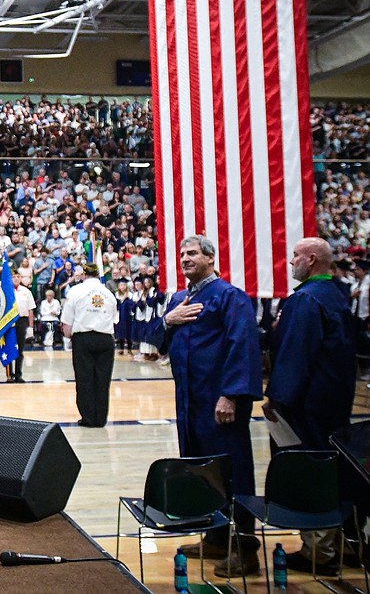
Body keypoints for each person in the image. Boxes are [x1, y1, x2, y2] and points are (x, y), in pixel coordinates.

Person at [163, 235, 263, 577]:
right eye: (181, 254)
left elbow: (243, 344)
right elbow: (162, 342)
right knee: (203, 472)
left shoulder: (229, 296)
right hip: (190, 402)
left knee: (232, 472)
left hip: (220, 402)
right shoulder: (179, 299)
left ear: (210, 257)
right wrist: (168, 320)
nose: (185, 258)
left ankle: (245, 547)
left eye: (192, 253)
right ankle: (217, 536)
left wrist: (231, 394)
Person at [264, 238, 357, 574]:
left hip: (308, 406)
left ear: (312, 260)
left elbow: (295, 355)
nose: (291, 263)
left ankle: (319, 551)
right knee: (337, 470)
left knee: (310, 472)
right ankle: (345, 542)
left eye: (295, 257)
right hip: (336, 402)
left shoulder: (305, 300)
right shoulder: (336, 295)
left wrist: (277, 399)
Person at [60, 264, 118, 428]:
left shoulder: (76, 291)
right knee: (102, 379)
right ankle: (100, 418)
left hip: (84, 337)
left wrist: (69, 335)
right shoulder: (108, 294)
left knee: (85, 378)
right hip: (106, 338)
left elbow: (67, 322)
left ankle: (88, 417)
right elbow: (115, 318)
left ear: (84, 275)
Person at [7, 275, 35, 381]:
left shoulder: (26, 291)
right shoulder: (6, 291)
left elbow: (30, 309)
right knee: (9, 348)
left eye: (18, 276)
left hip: (22, 320)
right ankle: (9, 374)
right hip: (9, 321)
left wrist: (30, 327)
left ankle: (18, 374)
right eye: (13, 276)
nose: (16, 278)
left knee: (20, 349)